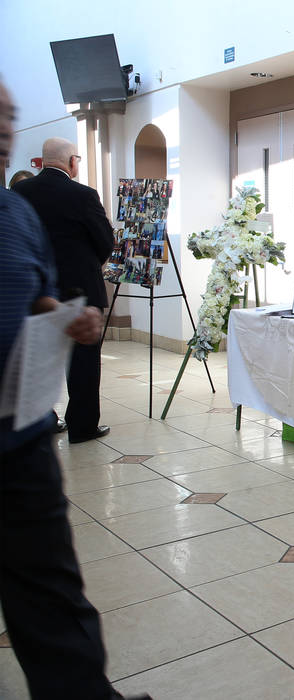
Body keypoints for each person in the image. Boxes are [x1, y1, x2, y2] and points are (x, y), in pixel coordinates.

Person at [0, 78, 150, 700]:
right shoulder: (76, 197)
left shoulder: (17, 210)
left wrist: (68, 313)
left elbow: (34, 290)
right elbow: (105, 241)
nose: (4, 126)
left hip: (22, 432)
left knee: (51, 582)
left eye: (8, 115)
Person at [13, 136, 113, 444]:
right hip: (80, 289)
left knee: (39, 356)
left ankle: (43, 420)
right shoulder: (83, 195)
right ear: (72, 162)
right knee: (83, 360)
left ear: (42, 162)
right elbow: (105, 242)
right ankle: (82, 426)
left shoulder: (20, 192)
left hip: (35, 291)